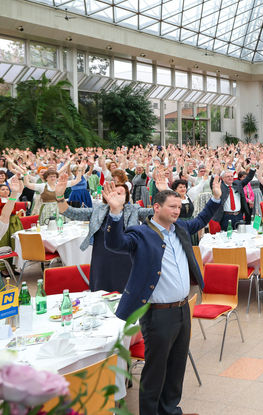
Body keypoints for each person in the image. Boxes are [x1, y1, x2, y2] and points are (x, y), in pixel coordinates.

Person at [103, 175, 222, 415]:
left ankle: (170, 410)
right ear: (156, 207)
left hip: (182, 309)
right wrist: (115, 213)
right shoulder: (140, 233)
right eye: (172, 207)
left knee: (176, 367)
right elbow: (115, 243)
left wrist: (216, 198)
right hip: (157, 315)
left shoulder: (181, 229)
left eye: (179, 207)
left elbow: (200, 219)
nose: (177, 211)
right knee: (155, 371)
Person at [54, 172, 157, 293]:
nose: (116, 195)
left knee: (125, 290)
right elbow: (70, 212)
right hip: (102, 256)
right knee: (101, 289)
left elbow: (156, 212)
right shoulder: (98, 210)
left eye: (120, 193)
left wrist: (164, 191)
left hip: (126, 257)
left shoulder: (134, 209)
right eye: (113, 193)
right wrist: (60, 196)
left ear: (126, 197)